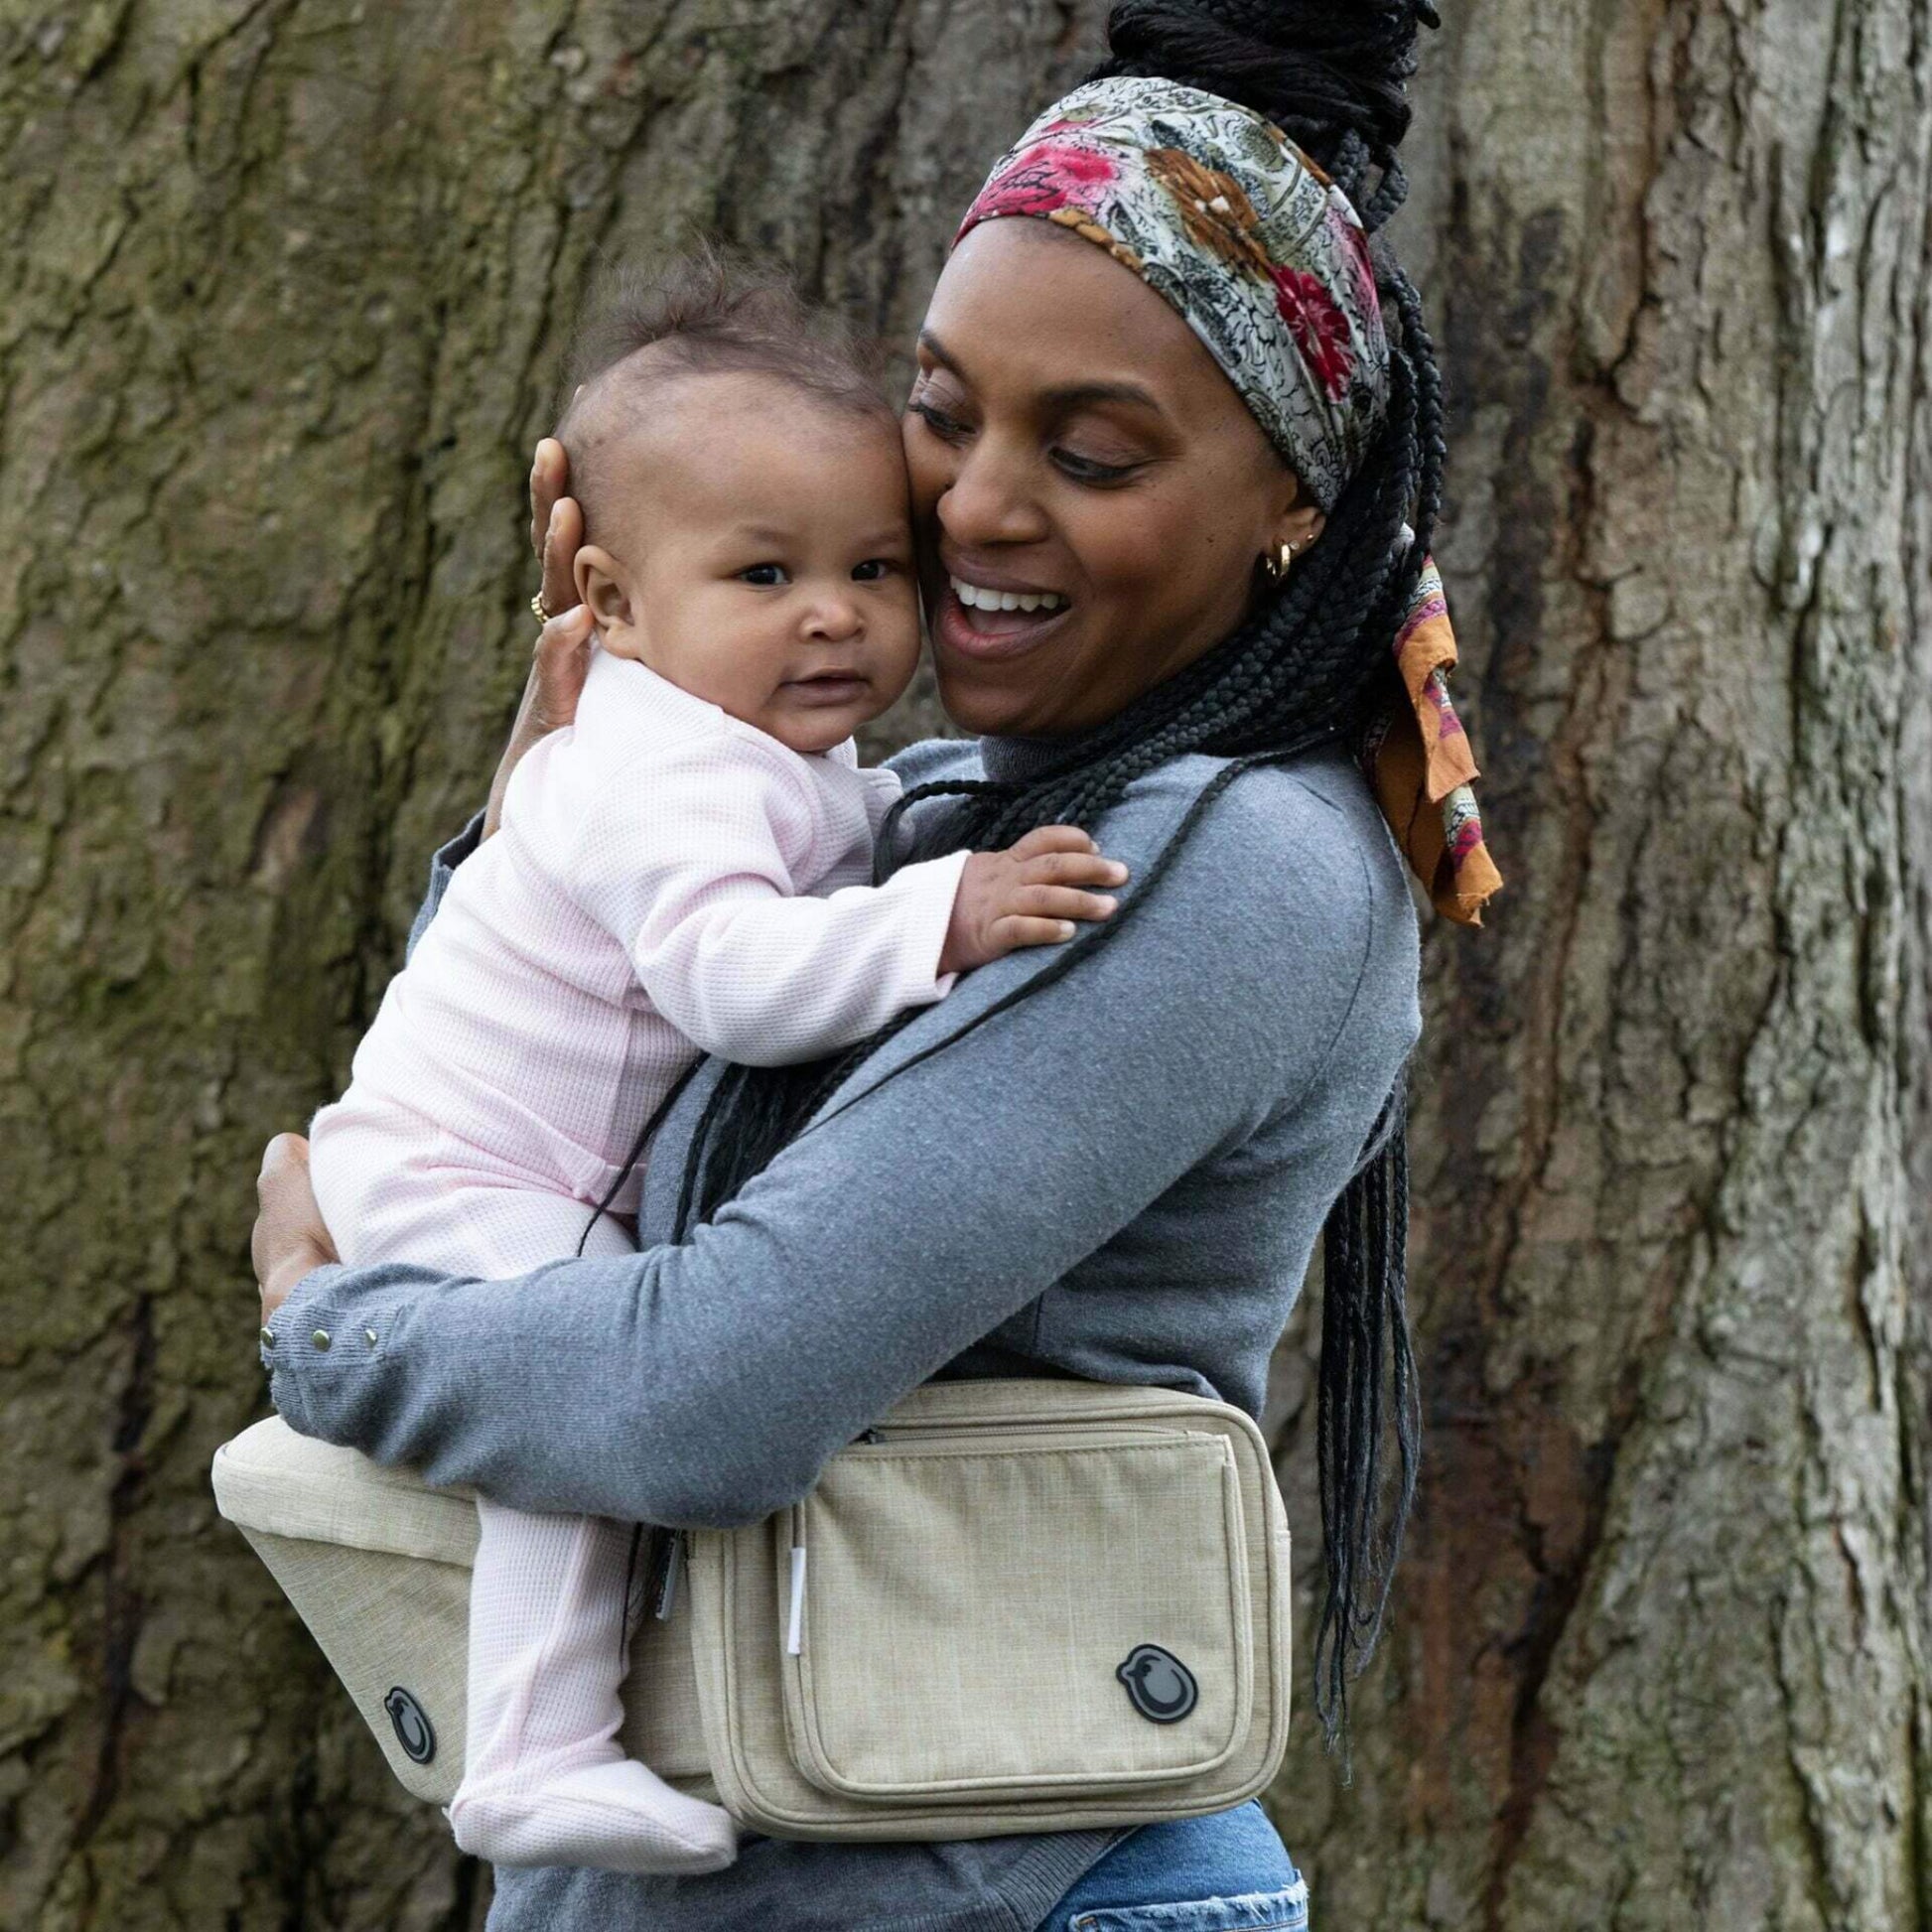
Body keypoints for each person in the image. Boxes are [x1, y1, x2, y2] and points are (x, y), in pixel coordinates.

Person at [251, 3, 1502, 1925]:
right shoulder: (918, 812)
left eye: (1088, 451)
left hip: (991, 1878)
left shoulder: (1218, 864)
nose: (970, 504)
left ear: (1291, 511)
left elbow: (706, 1389)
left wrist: (326, 1330)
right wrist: (564, 790)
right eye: (942, 408)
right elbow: (531, 1099)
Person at [303, 256, 1127, 1877]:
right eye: (761, 574)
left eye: (871, 567)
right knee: (579, 1377)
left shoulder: (772, 748)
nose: (832, 614)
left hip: (509, 1154)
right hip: (460, 1164)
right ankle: (531, 1750)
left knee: (587, 1342)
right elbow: (738, 980)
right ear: (605, 602)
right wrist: (936, 915)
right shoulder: (653, 771)